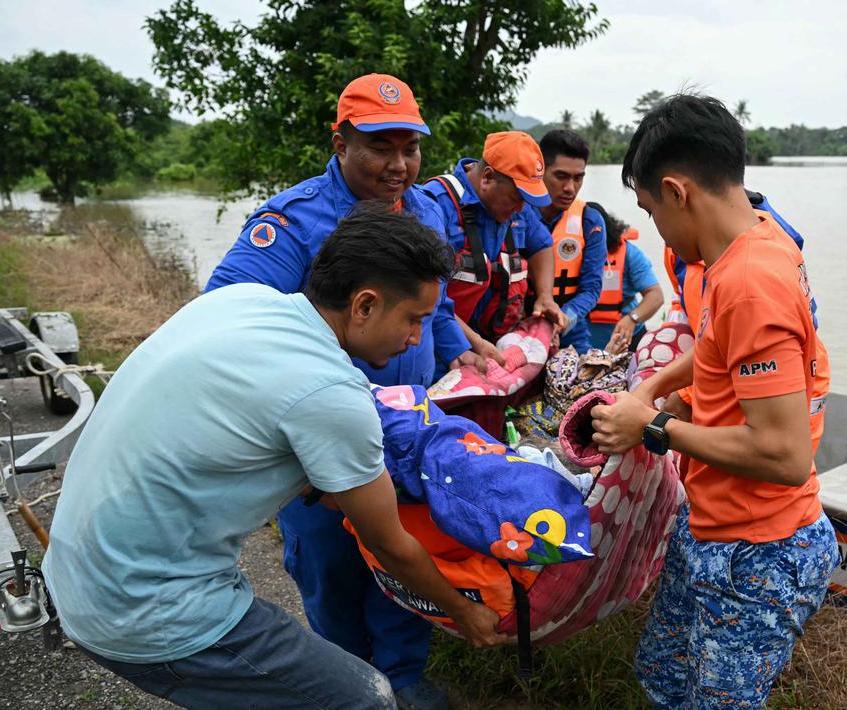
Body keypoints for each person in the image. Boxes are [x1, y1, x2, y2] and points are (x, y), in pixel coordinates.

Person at [43, 210, 505, 709]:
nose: (417, 339)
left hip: (73, 572)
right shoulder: (331, 391)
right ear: (365, 305)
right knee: (364, 698)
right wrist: (463, 612)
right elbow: (390, 545)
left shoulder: (243, 301)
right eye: (414, 319)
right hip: (145, 609)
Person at [204, 74, 474, 709]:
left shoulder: (425, 207)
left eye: (411, 148)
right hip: (316, 435)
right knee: (331, 565)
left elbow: (432, 309)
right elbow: (227, 318)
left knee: (409, 548)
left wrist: (464, 354)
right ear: (341, 141)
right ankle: (351, 684)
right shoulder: (292, 222)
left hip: (409, 428)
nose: (400, 165)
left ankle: (405, 676)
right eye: (381, 147)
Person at [588, 94, 838, 709]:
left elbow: (784, 454)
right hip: (712, 521)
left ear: (678, 192)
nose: (656, 230)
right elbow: (718, 348)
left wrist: (653, 428)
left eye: (650, 210)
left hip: (760, 549)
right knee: (664, 675)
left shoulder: (750, 281)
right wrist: (655, 387)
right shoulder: (756, 242)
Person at [423, 130, 566, 366]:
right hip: (442, 351)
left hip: (490, 344)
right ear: (487, 177)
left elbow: (542, 245)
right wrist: (473, 343)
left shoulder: (517, 207)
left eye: (525, 201)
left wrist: (545, 295)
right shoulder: (435, 205)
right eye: (515, 198)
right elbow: (425, 296)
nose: (521, 209)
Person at [534, 129, 607, 352]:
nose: (570, 188)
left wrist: (562, 320)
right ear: (540, 170)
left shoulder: (590, 221)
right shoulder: (517, 214)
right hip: (519, 326)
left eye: (578, 178)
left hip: (570, 331)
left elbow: (592, 288)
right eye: (561, 176)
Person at [584, 202, 663, 353]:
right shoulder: (567, 254)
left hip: (627, 340)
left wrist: (633, 318)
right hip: (582, 343)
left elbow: (656, 295)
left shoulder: (630, 254)